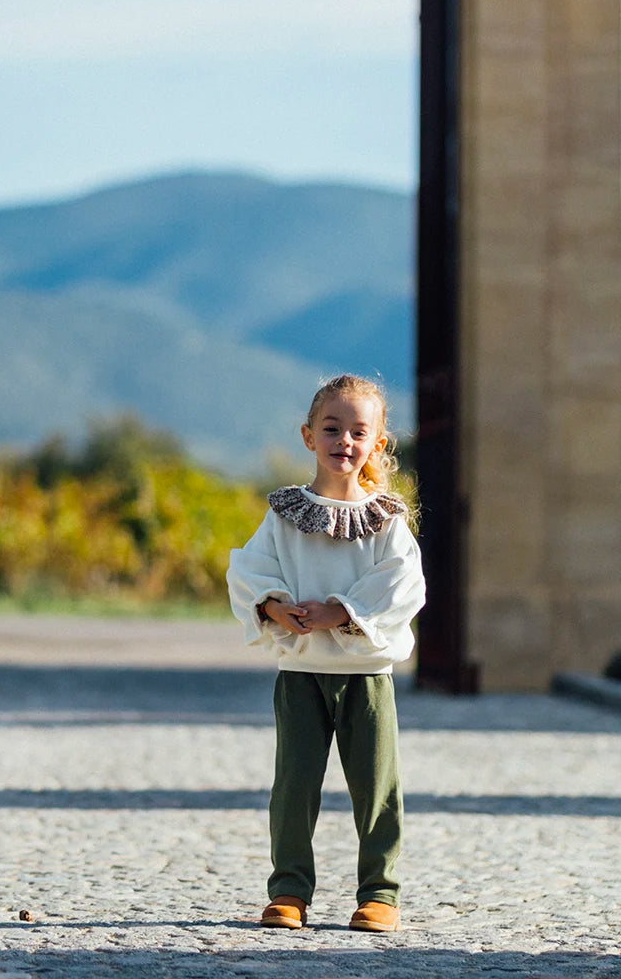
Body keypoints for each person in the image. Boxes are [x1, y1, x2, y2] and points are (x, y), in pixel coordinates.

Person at [226, 374, 425, 933]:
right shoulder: (284, 514)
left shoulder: (387, 519)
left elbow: (403, 583)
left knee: (376, 789)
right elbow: (250, 569)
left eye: (359, 432)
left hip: (366, 677)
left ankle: (379, 893)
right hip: (301, 674)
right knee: (293, 786)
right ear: (308, 435)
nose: (344, 441)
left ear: (377, 443)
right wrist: (273, 606)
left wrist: (340, 612)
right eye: (332, 428)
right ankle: (289, 891)